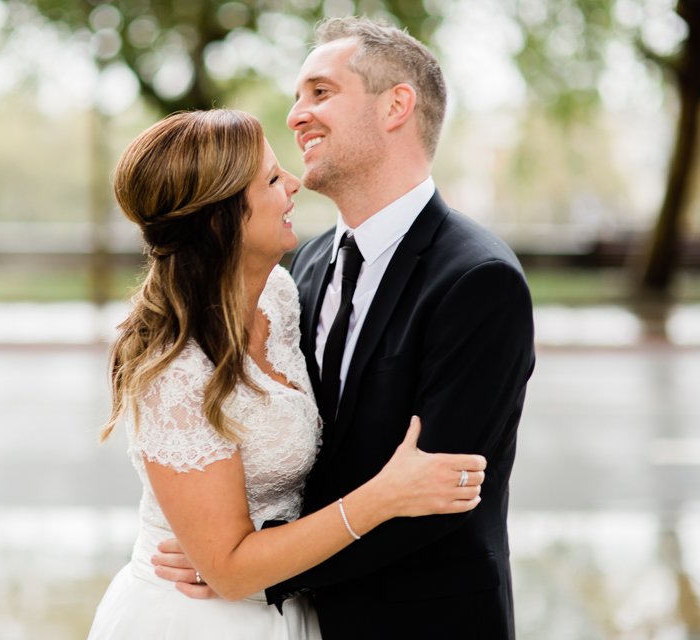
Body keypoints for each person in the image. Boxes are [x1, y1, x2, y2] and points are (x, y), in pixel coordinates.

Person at [153, 17, 536, 639]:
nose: (296, 114)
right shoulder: (300, 263)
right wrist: (227, 549)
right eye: (298, 96)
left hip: (425, 623)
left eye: (320, 92)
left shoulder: (478, 279)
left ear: (396, 106)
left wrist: (250, 568)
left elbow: (438, 495)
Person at [86, 108, 488, 639]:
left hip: (289, 609)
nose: (295, 183)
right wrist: (386, 495)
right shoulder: (176, 373)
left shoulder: (279, 296)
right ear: (218, 219)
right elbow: (228, 569)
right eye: (273, 180)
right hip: (196, 618)